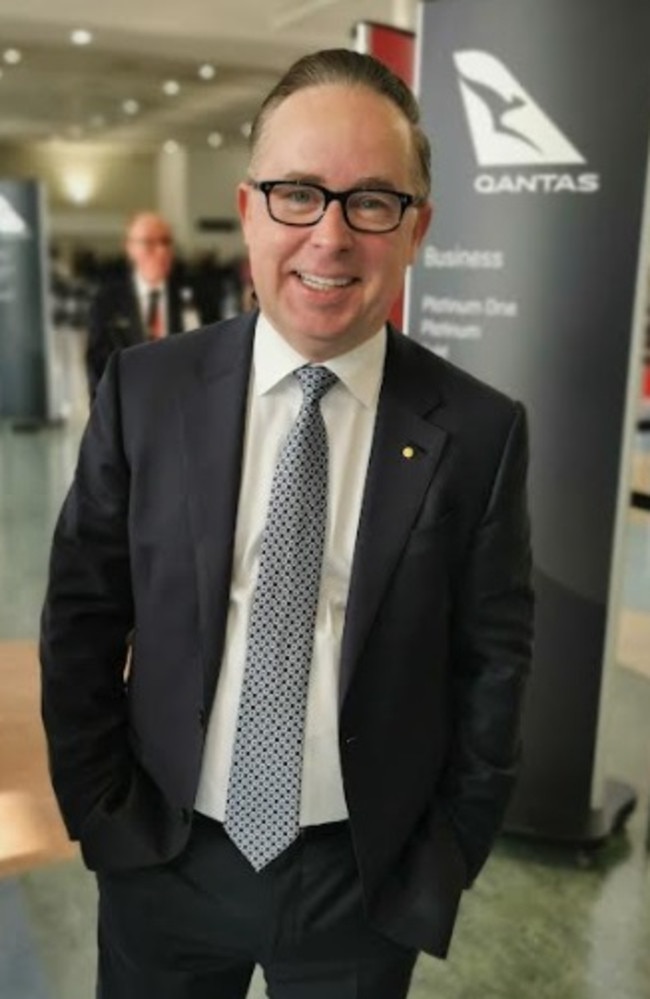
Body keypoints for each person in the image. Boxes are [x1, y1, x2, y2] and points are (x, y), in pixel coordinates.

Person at [40, 48, 534, 999]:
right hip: (164, 854)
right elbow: (82, 618)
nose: (331, 237)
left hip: (361, 878)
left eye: (372, 202)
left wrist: (441, 859)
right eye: (297, 193)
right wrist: (107, 817)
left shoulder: (478, 431)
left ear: (417, 229)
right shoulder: (148, 391)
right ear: (247, 207)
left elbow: (493, 668)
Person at [84, 211, 218, 398]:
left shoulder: (197, 297)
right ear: (130, 248)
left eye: (166, 242)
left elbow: (214, 356)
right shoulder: (108, 302)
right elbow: (97, 366)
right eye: (149, 243)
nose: (161, 251)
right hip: (131, 407)